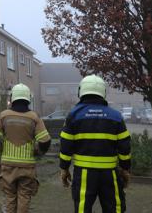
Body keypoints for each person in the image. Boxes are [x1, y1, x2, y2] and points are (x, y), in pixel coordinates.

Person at [59, 75, 131, 213]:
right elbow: (125, 147)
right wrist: (125, 169)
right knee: (114, 209)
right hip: (110, 174)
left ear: (81, 92)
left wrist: (64, 168)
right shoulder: (116, 116)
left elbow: (66, 146)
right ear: (103, 92)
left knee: (82, 209)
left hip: (83, 174)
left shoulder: (73, 115)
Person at [0, 83, 51, 213]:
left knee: (10, 196)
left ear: (12, 97)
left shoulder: (4, 115)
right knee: (24, 196)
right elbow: (45, 141)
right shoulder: (34, 117)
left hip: (8, 166)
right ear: (28, 98)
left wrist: (1, 148)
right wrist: (38, 152)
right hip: (27, 166)